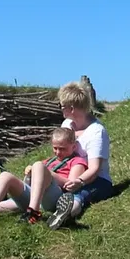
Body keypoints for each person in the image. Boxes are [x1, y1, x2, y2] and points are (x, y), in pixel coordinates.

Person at [0, 126, 88, 225]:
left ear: (74, 146)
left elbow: (71, 184)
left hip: (54, 198)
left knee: (38, 165)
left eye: (62, 149)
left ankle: (33, 213)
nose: (58, 152)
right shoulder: (49, 160)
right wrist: (30, 173)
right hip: (35, 195)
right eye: (55, 148)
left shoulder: (76, 161)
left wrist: (47, 173)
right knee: (6, 175)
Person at [49, 79, 111, 228]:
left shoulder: (96, 132)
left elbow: (95, 169)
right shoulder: (67, 125)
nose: (61, 109)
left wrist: (79, 182)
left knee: (79, 196)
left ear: (71, 109)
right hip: (69, 174)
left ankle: (68, 214)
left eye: (62, 106)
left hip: (95, 180)